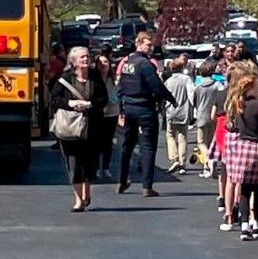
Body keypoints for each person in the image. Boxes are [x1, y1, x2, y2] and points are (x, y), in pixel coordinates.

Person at [117, 31, 177, 197]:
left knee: (127, 146)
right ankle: (147, 186)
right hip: (144, 108)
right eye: (148, 45)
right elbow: (156, 86)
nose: (150, 48)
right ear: (139, 43)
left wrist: (121, 108)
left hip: (129, 107)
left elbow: (121, 87)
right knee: (148, 147)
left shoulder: (127, 62)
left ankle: (122, 181)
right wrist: (170, 99)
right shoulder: (145, 64)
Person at [51, 46, 107, 212]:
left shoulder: (95, 77)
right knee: (74, 164)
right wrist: (70, 103)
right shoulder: (65, 78)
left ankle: (86, 193)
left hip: (93, 128)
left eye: (87, 56)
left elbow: (103, 98)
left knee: (89, 164)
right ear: (73, 61)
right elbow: (54, 99)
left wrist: (89, 104)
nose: (85, 59)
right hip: (71, 129)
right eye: (82, 57)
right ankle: (78, 200)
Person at [222, 73, 258, 240]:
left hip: (242, 146)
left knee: (244, 188)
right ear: (252, 88)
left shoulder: (239, 104)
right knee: (257, 188)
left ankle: (244, 226)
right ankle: (256, 224)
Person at [162, 56, 195, 175]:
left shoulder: (168, 81)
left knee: (170, 135)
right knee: (183, 137)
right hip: (184, 112)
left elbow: (164, 96)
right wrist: (193, 109)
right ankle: (182, 163)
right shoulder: (186, 79)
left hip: (171, 111)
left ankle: (174, 158)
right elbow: (191, 95)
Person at [192, 61, 222, 179]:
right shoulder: (217, 85)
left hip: (201, 114)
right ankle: (208, 165)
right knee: (210, 141)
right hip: (214, 115)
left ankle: (208, 160)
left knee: (201, 141)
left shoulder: (198, 86)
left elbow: (194, 101)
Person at [94, 53, 121, 180]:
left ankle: (105, 167)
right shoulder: (93, 79)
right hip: (98, 113)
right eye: (100, 62)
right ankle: (95, 168)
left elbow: (119, 93)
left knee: (108, 142)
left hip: (112, 112)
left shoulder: (114, 78)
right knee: (96, 142)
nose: (103, 65)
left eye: (105, 62)